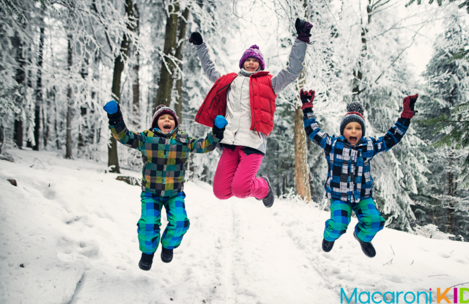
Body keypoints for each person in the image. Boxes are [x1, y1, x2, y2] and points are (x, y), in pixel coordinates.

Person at [188, 18, 313, 208]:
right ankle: (254, 186)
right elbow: (209, 69)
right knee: (221, 192)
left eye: (255, 61)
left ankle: (263, 187)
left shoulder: (270, 83)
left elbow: (292, 71)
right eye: (248, 60)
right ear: (242, 63)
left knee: (240, 189)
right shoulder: (229, 81)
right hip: (230, 143)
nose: (251, 63)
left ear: (260, 65)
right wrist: (200, 46)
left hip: (253, 143)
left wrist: (301, 39)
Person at [103, 100, 227, 270]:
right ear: (155, 123)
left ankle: (168, 246)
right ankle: (147, 253)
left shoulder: (183, 140)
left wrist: (217, 131)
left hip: (174, 193)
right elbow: (124, 136)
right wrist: (115, 117)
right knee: (148, 224)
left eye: (171, 118)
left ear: (175, 123)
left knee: (180, 222)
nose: (167, 120)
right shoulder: (146, 138)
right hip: (151, 193)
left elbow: (204, 145)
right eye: (163, 118)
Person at [299, 89, 418, 257]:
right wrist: (307, 108)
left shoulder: (368, 147)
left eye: (357, 128)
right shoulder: (333, 145)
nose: (353, 131)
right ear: (342, 130)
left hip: (362, 196)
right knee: (339, 224)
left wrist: (406, 116)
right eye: (349, 128)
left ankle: (362, 237)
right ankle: (329, 236)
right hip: (339, 196)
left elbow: (391, 139)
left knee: (375, 221)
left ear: (362, 131)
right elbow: (313, 131)